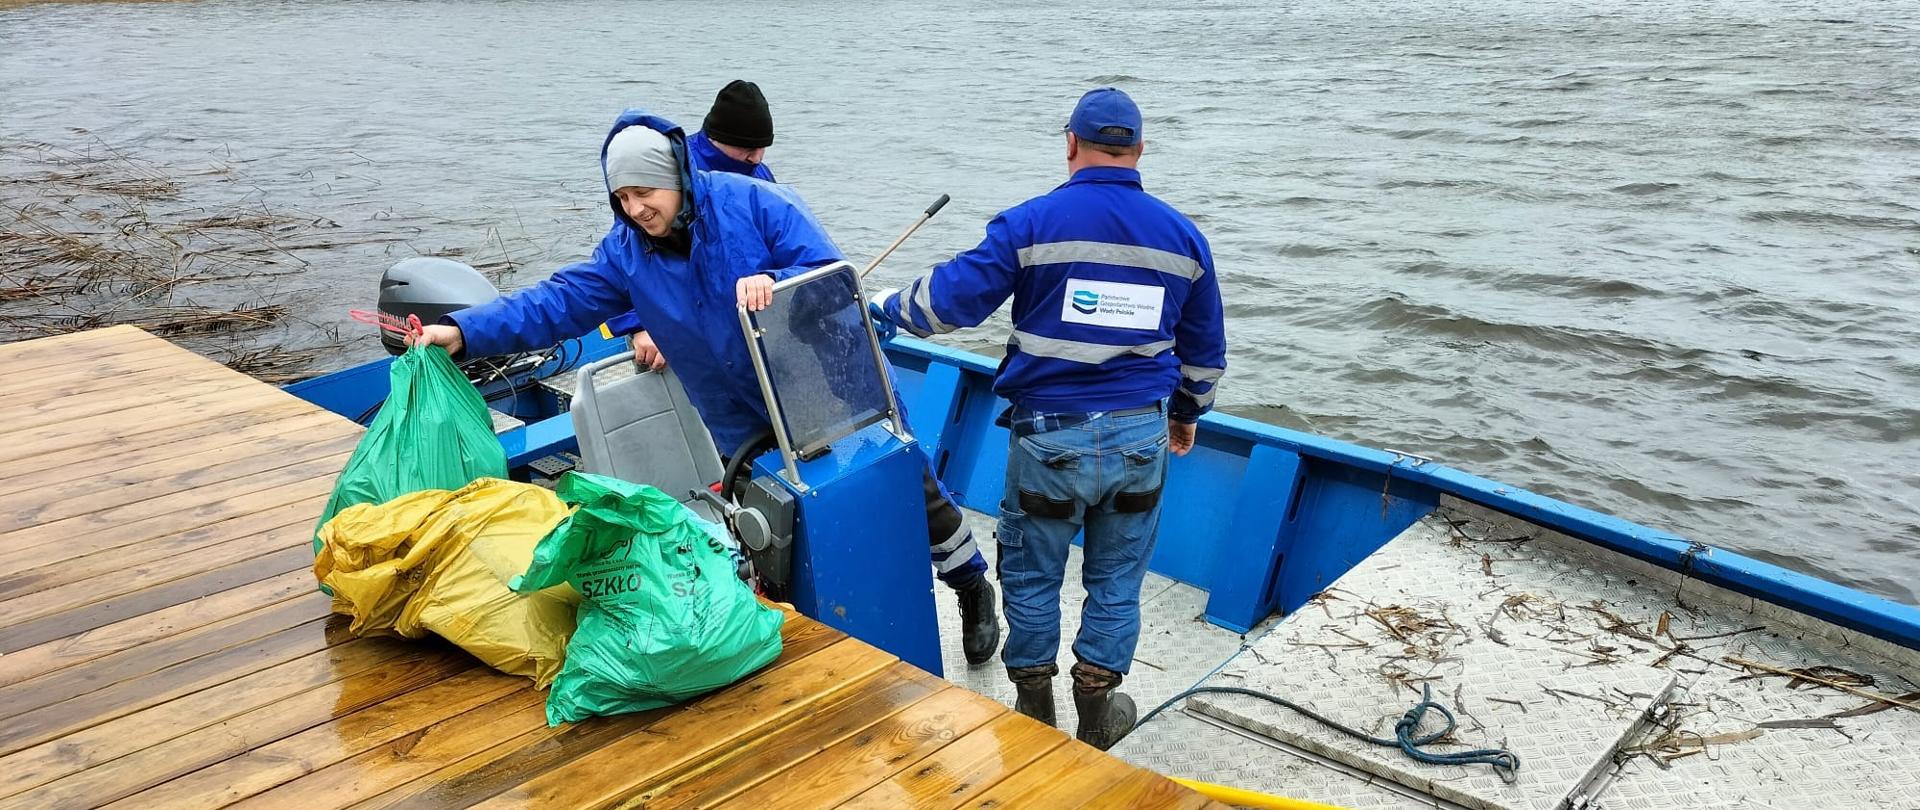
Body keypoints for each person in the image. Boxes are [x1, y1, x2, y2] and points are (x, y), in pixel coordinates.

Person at [414, 110, 1002, 665]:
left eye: (645, 193)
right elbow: (555, 303)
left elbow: (829, 275)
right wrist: (462, 332)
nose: (636, 209)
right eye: (622, 198)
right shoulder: (624, 256)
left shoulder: (757, 203)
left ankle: (970, 584)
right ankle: (820, 632)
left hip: (825, 390)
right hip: (736, 415)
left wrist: (775, 282)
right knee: (773, 525)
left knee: (908, 493)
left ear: (674, 176)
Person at [870, 87, 1226, 750]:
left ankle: (1035, 712)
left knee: (1032, 576)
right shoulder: (1184, 238)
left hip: (1048, 440)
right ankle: (1098, 708)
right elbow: (1205, 355)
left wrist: (886, 302)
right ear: (1139, 151)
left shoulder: (1029, 224)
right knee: (1117, 579)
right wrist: (1186, 413)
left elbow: (947, 304)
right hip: (1139, 440)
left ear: (1070, 145)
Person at [607, 79, 777, 355]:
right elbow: (627, 253)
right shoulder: (675, 169)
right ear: (717, 139)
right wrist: (638, 325)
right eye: (748, 150)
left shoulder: (760, 176)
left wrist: (774, 278)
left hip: (747, 313)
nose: (757, 158)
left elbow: (779, 242)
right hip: (681, 313)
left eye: (762, 148)